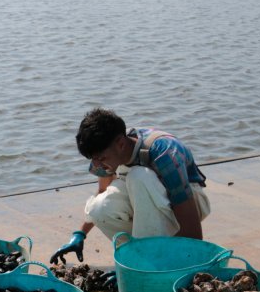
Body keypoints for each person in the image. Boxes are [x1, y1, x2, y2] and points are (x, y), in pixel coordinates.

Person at [50, 108, 210, 264]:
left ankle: (144, 260)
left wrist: (180, 260)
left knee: (138, 176)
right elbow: (103, 193)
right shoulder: (106, 153)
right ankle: (137, 254)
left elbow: (192, 228)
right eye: (93, 159)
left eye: (101, 158)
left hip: (190, 203)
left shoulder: (164, 154)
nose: (97, 165)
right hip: (152, 198)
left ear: (120, 143)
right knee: (98, 208)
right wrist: (80, 234)